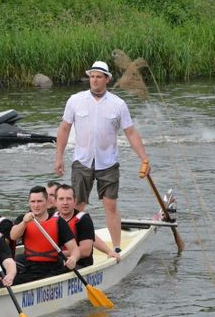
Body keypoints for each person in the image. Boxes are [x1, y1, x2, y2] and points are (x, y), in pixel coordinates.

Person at [54, 60, 150, 254]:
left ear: (107, 79)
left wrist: (144, 158)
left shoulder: (118, 104)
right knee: (77, 206)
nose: (94, 80)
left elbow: (130, 132)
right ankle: (75, 247)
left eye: (99, 77)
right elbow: (64, 129)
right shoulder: (75, 100)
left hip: (108, 162)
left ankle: (116, 247)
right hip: (82, 161)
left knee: (110, 205)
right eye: (92, 76)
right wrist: (59, 157)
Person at [10, 186, 80, 284]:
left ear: (47, 202)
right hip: (30, 267)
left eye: (39, 201)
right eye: (33, 202)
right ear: (29, 203)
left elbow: (75, 250)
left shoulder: (58, 221)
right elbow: (13, 236)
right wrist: (24, 223)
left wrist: (73, 258)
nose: (36, 205)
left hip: (52, 267)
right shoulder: (23, 219)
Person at [54, 184, 120, 266]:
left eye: (69, 199)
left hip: (80, 264)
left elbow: (85, 251)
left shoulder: (83, 220)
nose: (65, 203)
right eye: (61, 199)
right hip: (57, 262)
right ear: (55, 202)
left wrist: (55, 255)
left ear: (75, 201)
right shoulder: (51, 218)